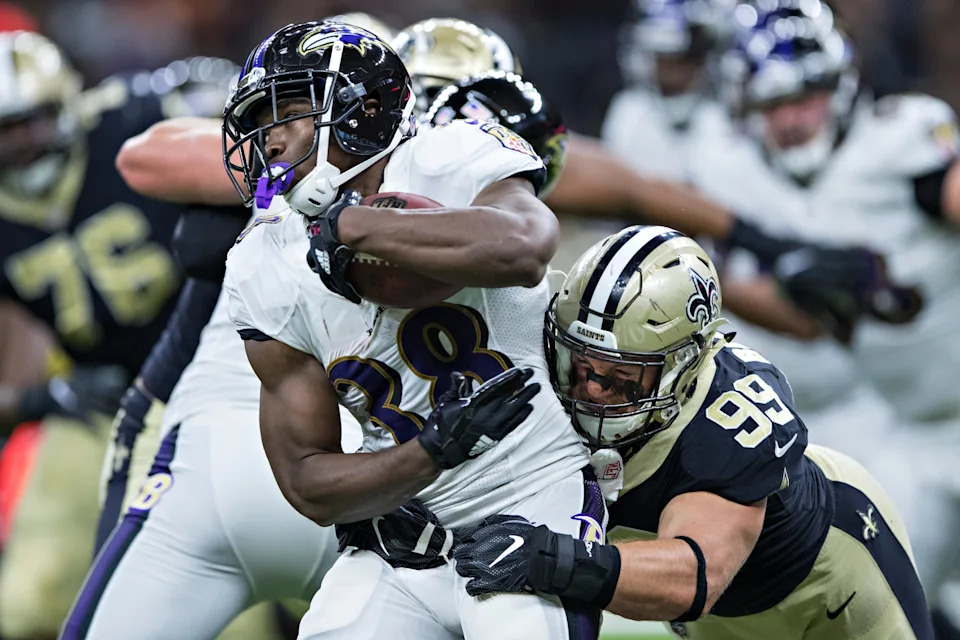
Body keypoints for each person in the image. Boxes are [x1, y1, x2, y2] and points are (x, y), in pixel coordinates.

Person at [222, 21, 605, 640]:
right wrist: (426, 454)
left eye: (289, 113)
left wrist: (351, 227)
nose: (270, 140)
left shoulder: (445, 155)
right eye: (261, 122)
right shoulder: (261, 263)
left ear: (362, 111)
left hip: (534, 494)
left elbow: (526, 246)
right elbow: (306, 480)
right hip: (406, 532)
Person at [454, 226, 934, 640]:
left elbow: (692, 577)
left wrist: (550, 559)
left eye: (623, 376)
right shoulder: (541, 370)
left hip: (829, 578)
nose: (593, 389)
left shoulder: (725, 415)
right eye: (579, 363)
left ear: (683, 366)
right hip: (716, 621)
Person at [685, 2, 960, 631]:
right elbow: (801, 321)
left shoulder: (897, 138)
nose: (790, 119)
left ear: (840, 86)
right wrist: (786, 280)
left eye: (805, 96)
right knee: (890, 602)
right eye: (773, 103)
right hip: (905, 429)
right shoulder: (745, 177)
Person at [0, 30, 205, 639]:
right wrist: (46, 398)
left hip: (217, 380)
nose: (18, 144)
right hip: (99, 403)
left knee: (216, 598)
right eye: (2, 130)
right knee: (28, 602)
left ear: (66, 105)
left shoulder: (135, 120)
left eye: (29, 122)